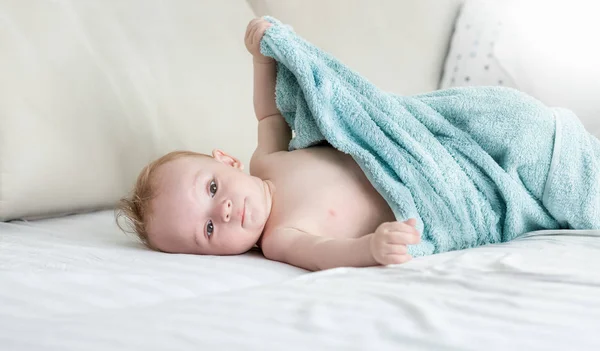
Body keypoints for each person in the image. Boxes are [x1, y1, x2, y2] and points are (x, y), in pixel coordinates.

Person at [116, 18, 421, 271]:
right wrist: (372, 248)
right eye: (208, 229)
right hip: (417, 195)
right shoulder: (280, 238)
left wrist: (261, 58)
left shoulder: (267, 160)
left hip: (403, 152)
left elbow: (270, 114)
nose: (223, 211)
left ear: (227, 161)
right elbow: (326, 252)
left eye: (212, 188)